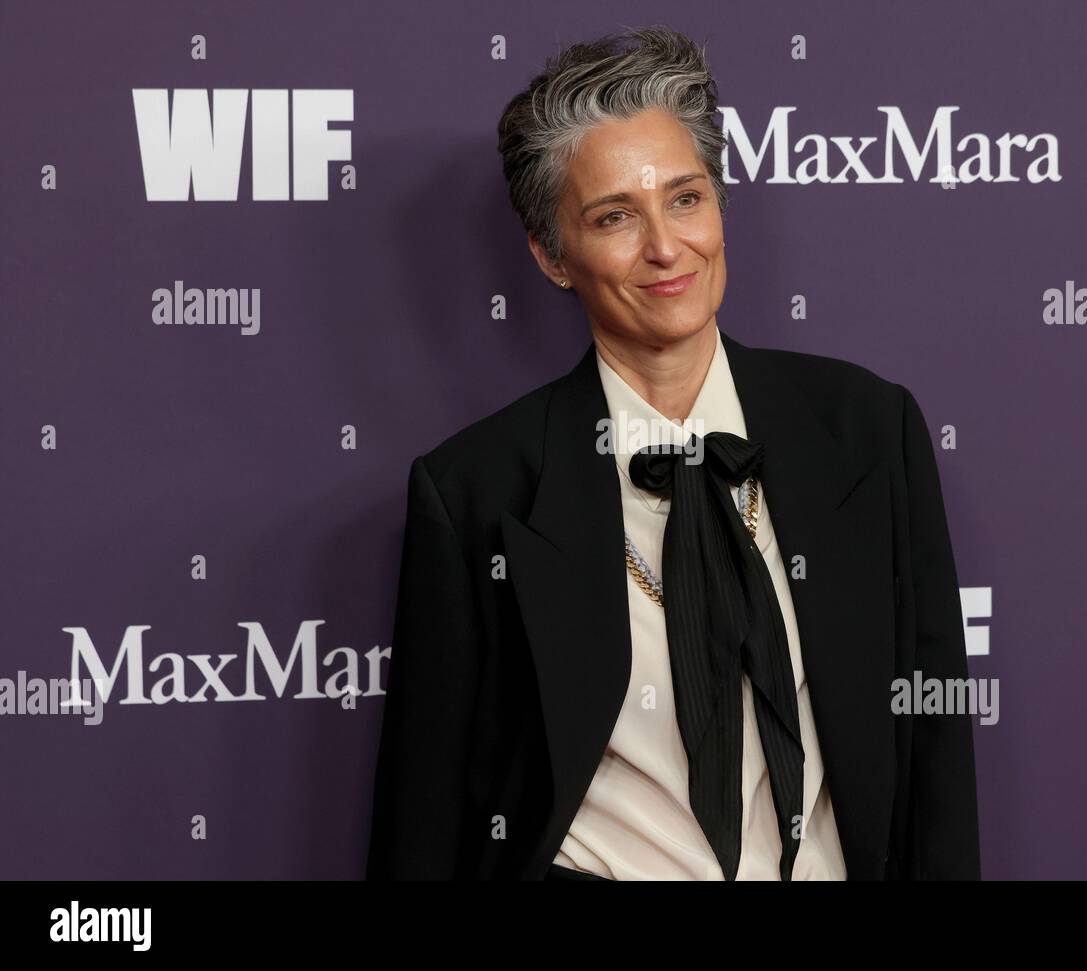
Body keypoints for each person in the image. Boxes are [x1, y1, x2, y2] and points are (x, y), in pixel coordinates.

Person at [366, 25, 980, 881]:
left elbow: (934, 766)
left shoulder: (869, 431)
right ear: (551, 256)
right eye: (615, 215)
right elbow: (423, 822)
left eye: (686, 198)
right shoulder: (474, 490)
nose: (665, 247)